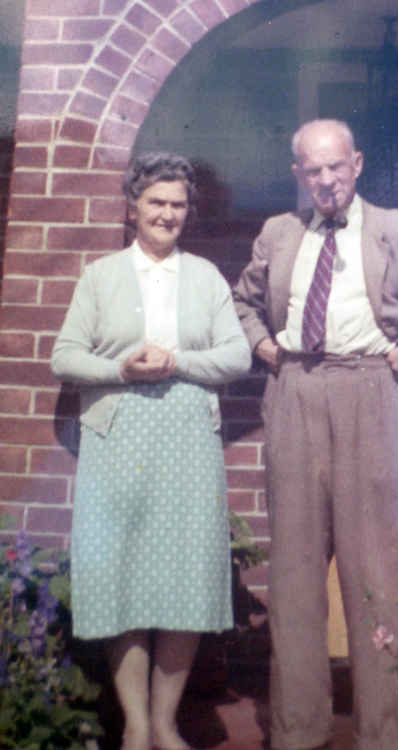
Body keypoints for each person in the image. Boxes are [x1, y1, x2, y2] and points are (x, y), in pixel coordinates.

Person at [233, 119, 398, 750]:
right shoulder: (279, 232)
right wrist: (262, 343)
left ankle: (381, 735)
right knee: (294, 579)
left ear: (357, 164)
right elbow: (240, 303)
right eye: (312, 170)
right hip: (294, 392)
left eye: (336, 167)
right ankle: (299, 732)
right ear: (298, 173)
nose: (325, 180)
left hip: (372, 393)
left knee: (376, 577)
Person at [51, 152, 251, 750]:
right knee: (125, 580)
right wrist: (120, 366)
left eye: (178, 205)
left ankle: (166, 723)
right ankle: (136, 723)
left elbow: (236, 356)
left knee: (185, 578)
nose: (167, 214)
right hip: (117, 441)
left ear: (188, 212)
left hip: (188, 441)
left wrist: (177, 360)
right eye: (156, 203)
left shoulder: (208, 277)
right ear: (133, 207)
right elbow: (64, 357)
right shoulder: (100, 276)